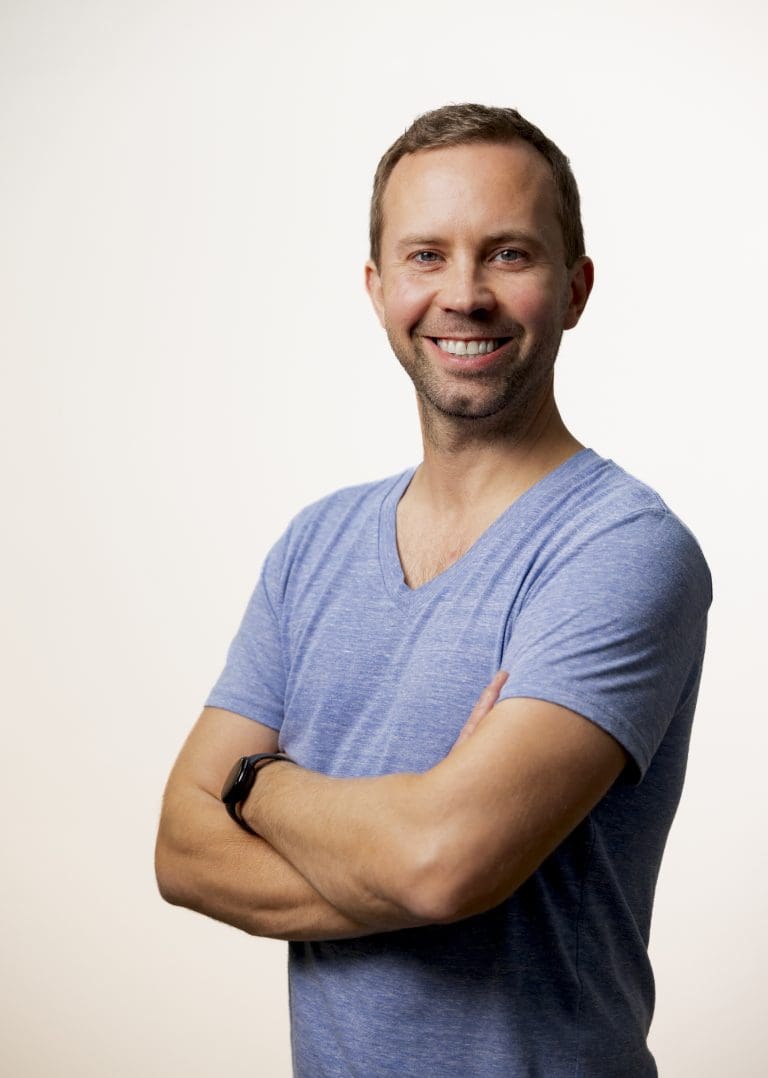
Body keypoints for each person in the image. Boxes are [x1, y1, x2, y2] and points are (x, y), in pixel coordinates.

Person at [155, 104, 711, 1077]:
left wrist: (254, 782)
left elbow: (442, 862)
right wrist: (416, 841)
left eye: (508, 254)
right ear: (378, 289)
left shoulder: (622, 549)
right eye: (426, 256)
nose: (463, 294)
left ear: (575, 289)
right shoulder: (314, 545)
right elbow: (180, 851)